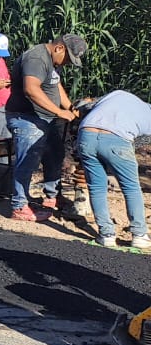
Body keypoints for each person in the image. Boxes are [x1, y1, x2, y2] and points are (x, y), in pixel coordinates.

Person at [3, 33, 88, 221]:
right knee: (27, 161)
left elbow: (56, 86)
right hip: (26, 118)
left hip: (44, 119)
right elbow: (31, 89)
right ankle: (19, 206)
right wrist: (60, 113)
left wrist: (70, 108)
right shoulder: (36, 58)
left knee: (55, 154)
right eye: (67, 58)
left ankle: (52, 196)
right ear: (59, 48)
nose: (67, 63)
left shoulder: (51, 62)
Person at [74, 90, 151, 248]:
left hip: (86, 135)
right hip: (117, 139)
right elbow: (140, 142)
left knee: (96, 187)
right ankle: (139, 235)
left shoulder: (117, 95)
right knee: (131, 187)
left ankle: (106, 235)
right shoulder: (148, 115)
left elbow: (85, 106)